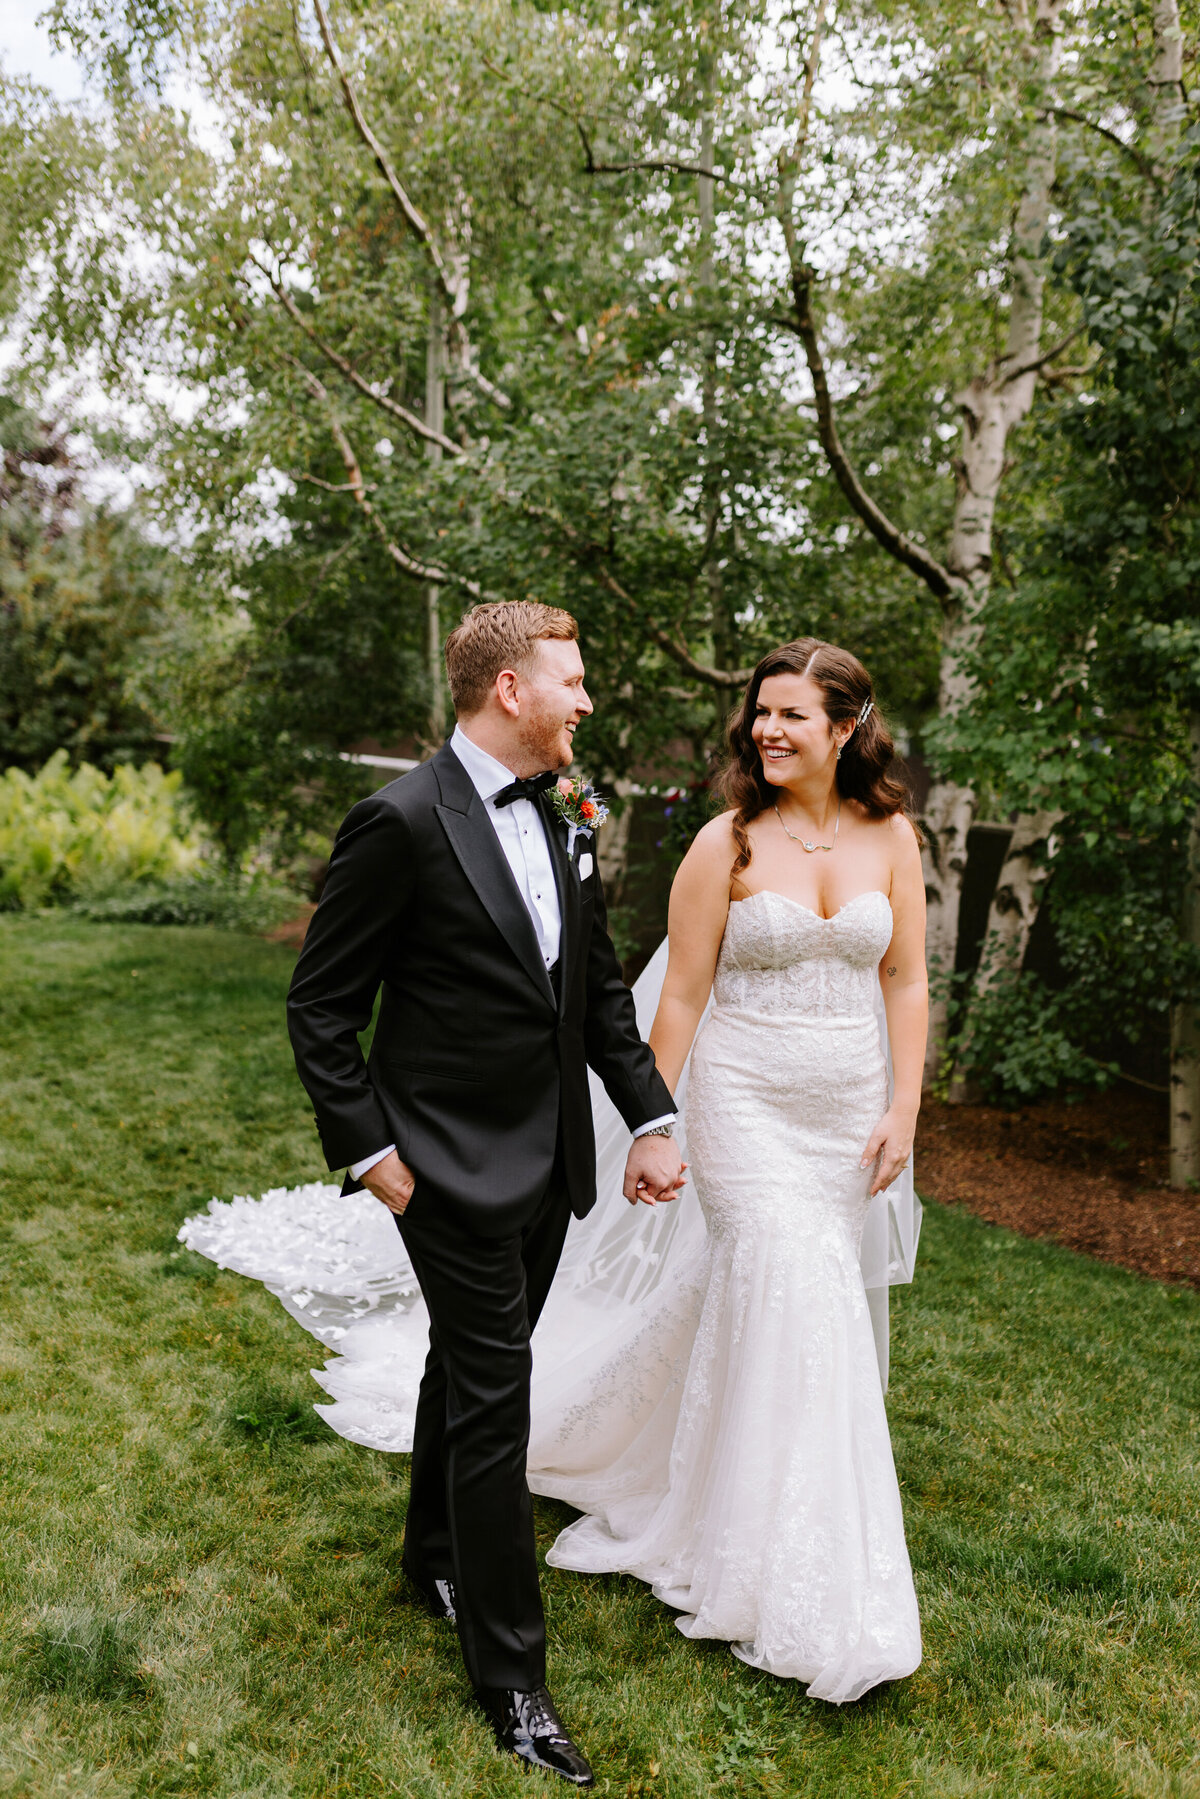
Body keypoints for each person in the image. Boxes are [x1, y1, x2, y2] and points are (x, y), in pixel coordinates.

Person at [285, 600, 682, 1788]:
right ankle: (512, 1679)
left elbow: (593, 984)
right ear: (509, 690)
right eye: (571, 679)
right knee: (500, 1391)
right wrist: (369, 1147)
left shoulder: (568, 807)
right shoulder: (400, 820)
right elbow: (320, 1001)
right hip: (444, 1164)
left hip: (551, 1152)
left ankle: (430, 1552)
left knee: (464, 1366)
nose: (587, 700)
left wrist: (650, 1111)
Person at [529, 636, 927, 1700]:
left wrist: (905, 1102)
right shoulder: (727, 842)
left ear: (847, 727)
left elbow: (908, 982)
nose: (767, 729)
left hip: (844, 1110)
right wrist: (654, 1123)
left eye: (792, 714)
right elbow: (679, 997)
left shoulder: (895, 836)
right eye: (761, 712)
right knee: (796, 1290)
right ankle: (771, 1558)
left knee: (790, 1299)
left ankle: (718, 1478)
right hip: (742, 1101)